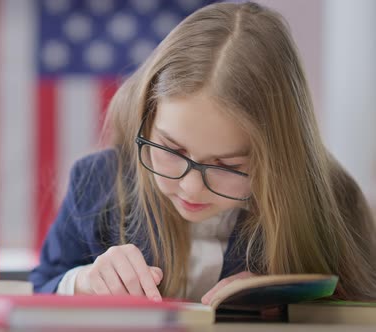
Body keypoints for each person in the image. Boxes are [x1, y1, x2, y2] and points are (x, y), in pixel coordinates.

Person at [28, 1, 376, 303]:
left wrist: (294, 296)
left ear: (278, 159)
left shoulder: (331, 197)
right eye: (170, 149)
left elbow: (362, 298)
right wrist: (84, 282)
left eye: (228, 165)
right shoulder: (97, 181)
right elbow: (43, 284)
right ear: (145, 119)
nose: (191, 188)